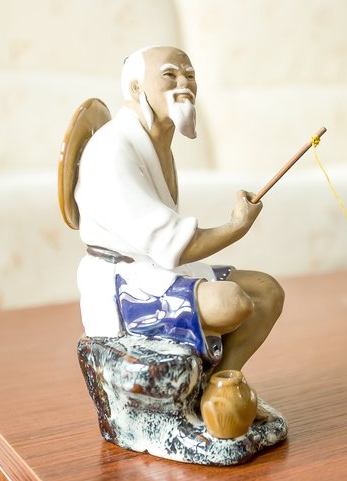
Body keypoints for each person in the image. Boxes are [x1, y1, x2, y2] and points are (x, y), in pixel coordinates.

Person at [75, 46, 283, 372]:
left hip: (157, 268)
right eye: (170, 75)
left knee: (267, 292)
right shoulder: (112, 149)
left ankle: (222, 385)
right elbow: (173, 246)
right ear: (136, 88)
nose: (184, 84)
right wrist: (236, 225)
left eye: (189, 75)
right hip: (126, 285)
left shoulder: (156, 141)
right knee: (231, 303)